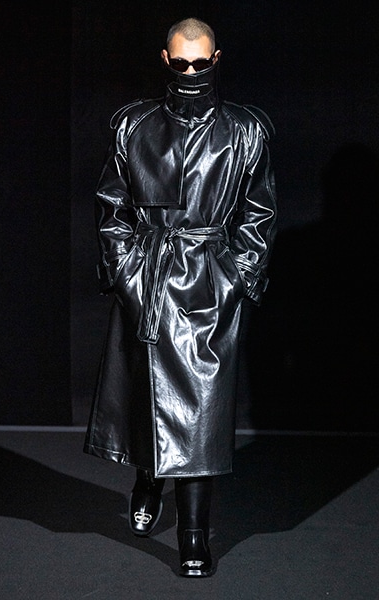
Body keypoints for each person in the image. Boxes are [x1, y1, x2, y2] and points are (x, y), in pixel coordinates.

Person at [84, 17, 277, 577]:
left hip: (207, 283)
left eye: (201, 62)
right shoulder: (134, 124)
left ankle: (193, 534)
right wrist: (127, 273)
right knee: (147, 395)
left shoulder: (245, 130)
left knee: (202, 414)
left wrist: (234, 278)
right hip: (148, 276)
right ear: (165, 60)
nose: (192, 73)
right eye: (182, 63)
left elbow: (259, 214)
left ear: (217, 60)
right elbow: (111, 206)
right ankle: (147, 479)